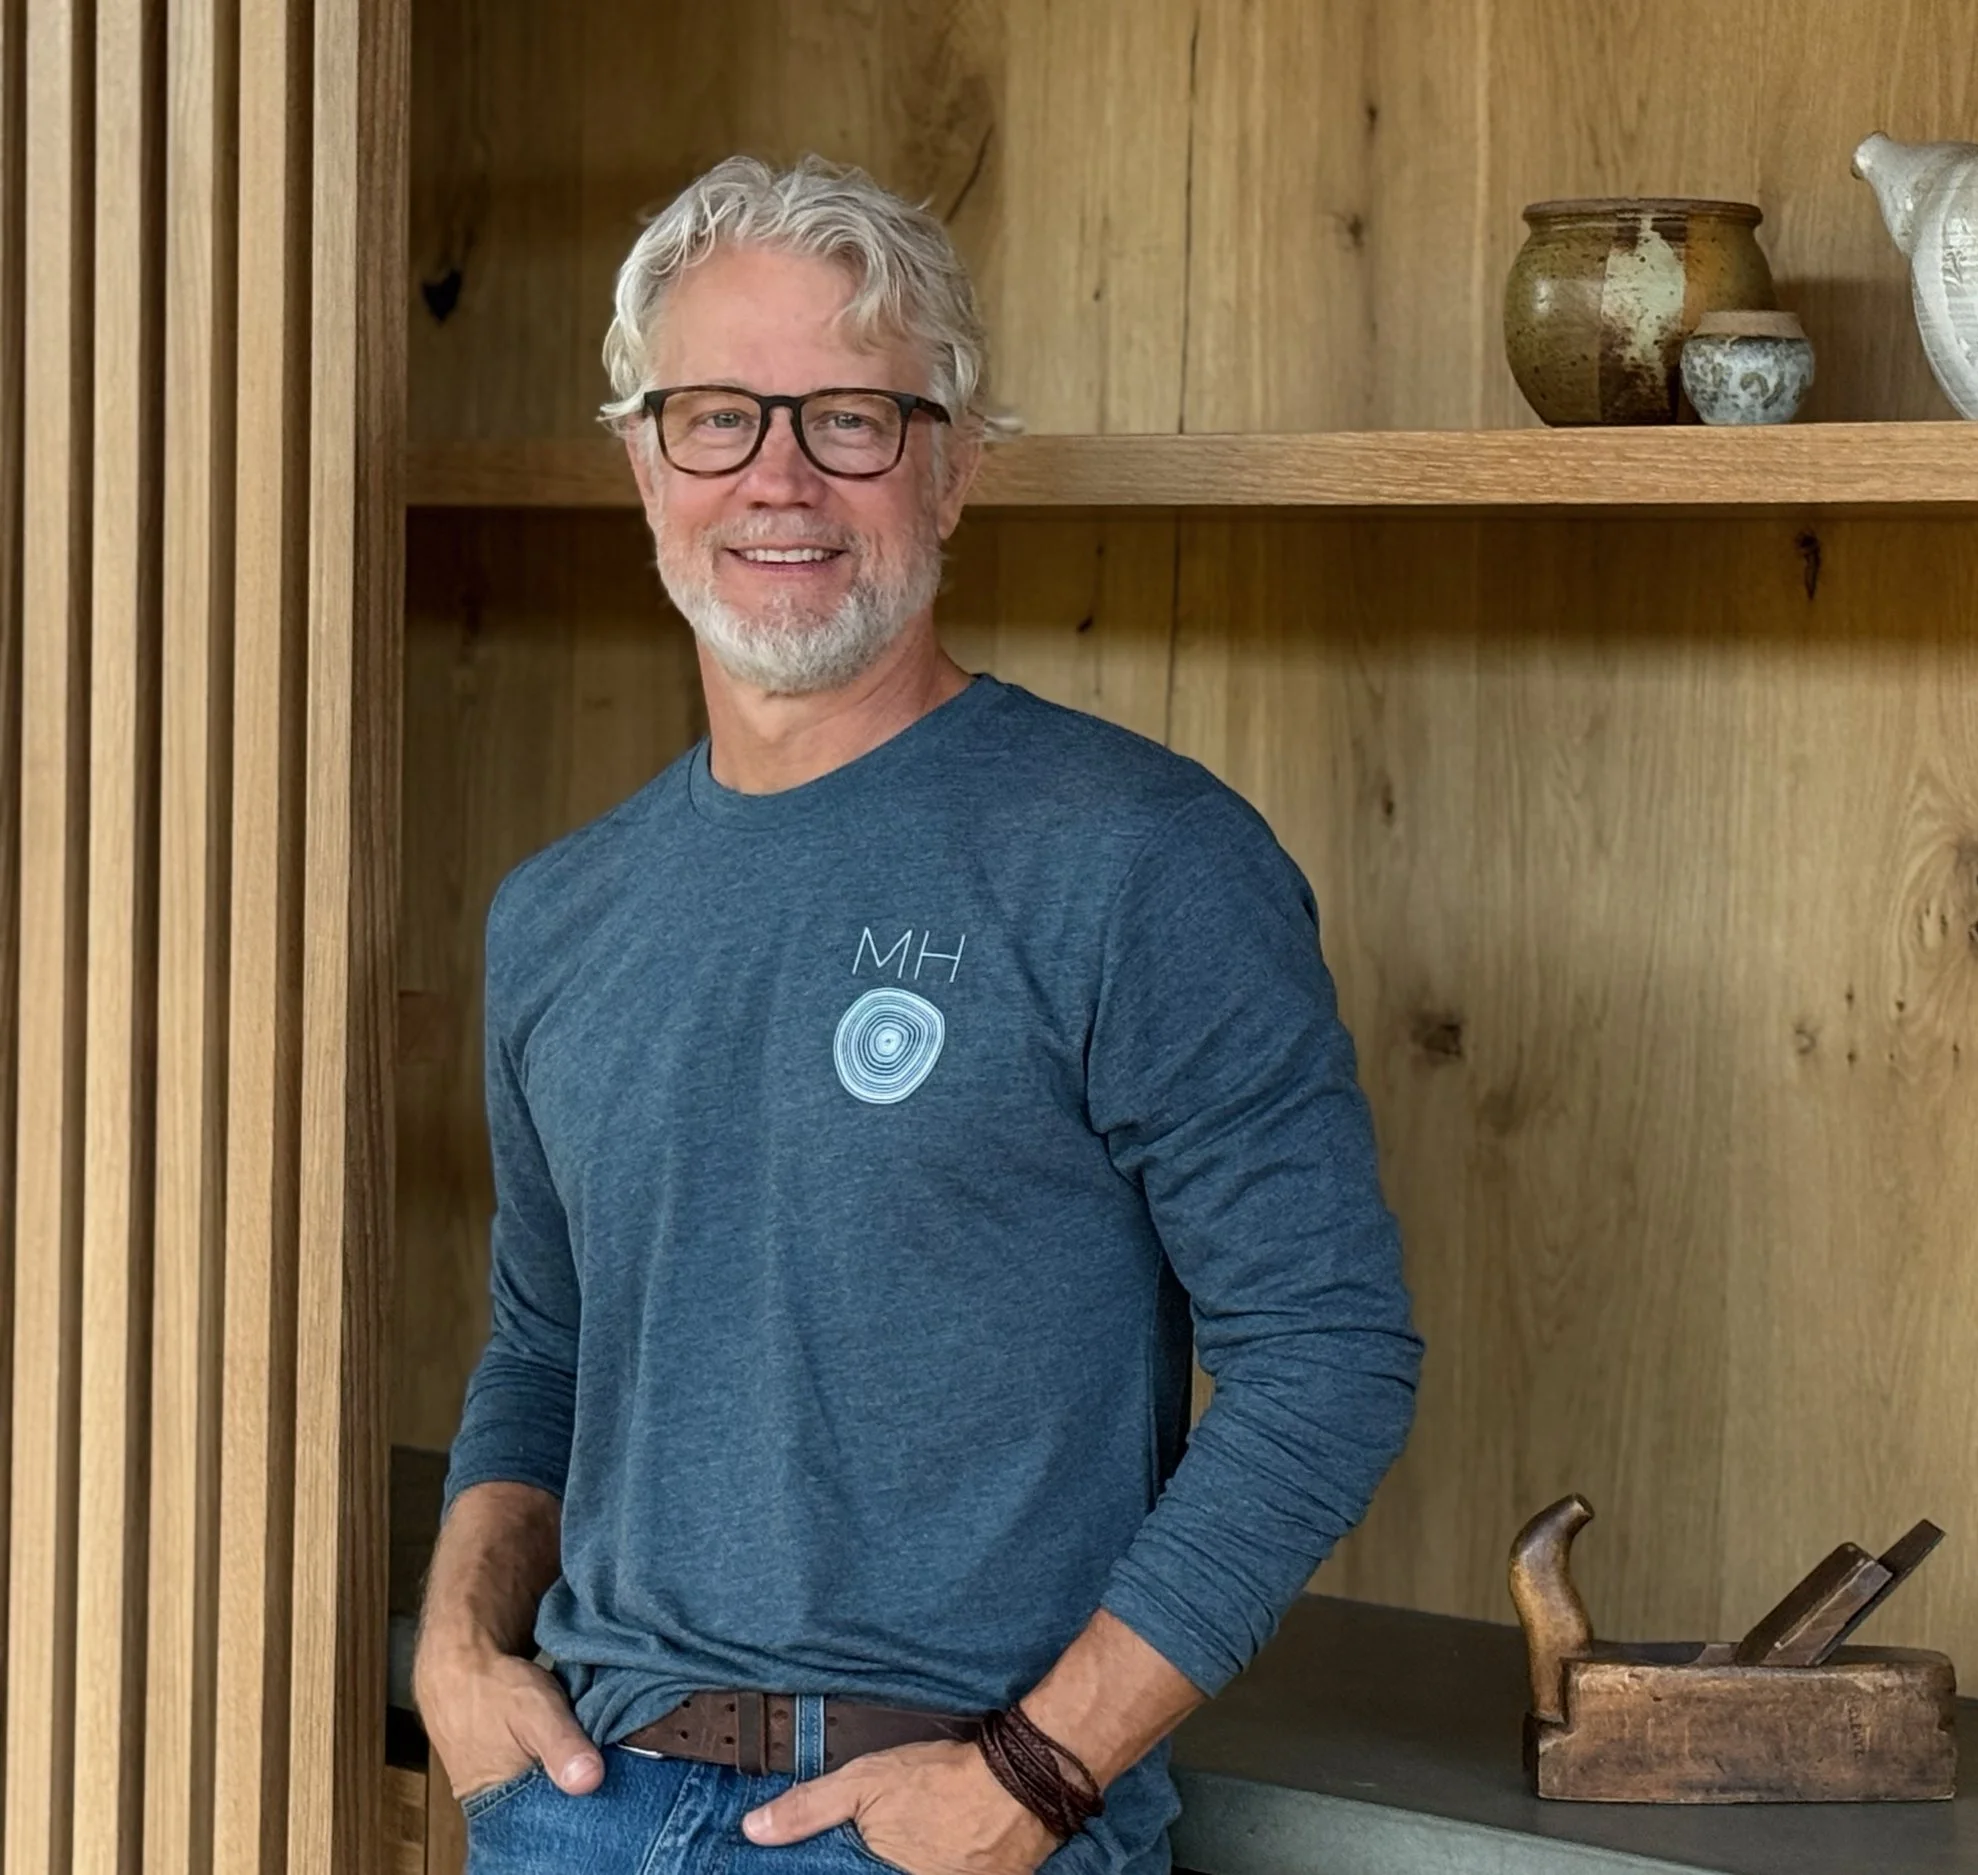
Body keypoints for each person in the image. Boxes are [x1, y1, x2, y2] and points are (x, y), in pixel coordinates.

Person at [411, 155, 1425, 1875]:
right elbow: (547, 1349)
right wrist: (452, 1645)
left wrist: (1037, 1773)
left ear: (953, 469)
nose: (778, 477)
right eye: (717, 416)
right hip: (578, 1812)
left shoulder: (1136, 861)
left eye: (854, 420)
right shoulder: (561, 914)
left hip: (943, 1821)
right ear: (643, 462)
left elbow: (1326, 1359)